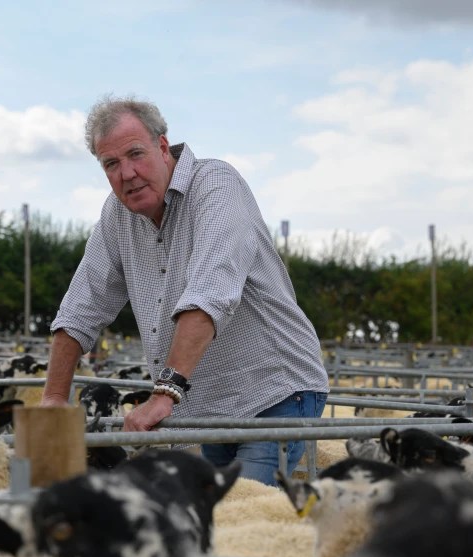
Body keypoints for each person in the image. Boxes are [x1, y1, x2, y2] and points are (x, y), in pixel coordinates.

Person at [40, 95, 329, 485]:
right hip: (207, 406)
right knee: (209, 521)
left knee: (242, 520)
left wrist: (163, 394)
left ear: (163, 147)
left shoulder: (215, 186)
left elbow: (211, 290)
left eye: (136, 154)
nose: (127, 173)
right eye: (111, 163)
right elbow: (81, 306)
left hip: (272, 392)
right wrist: (53, 401)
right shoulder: (116, 215)